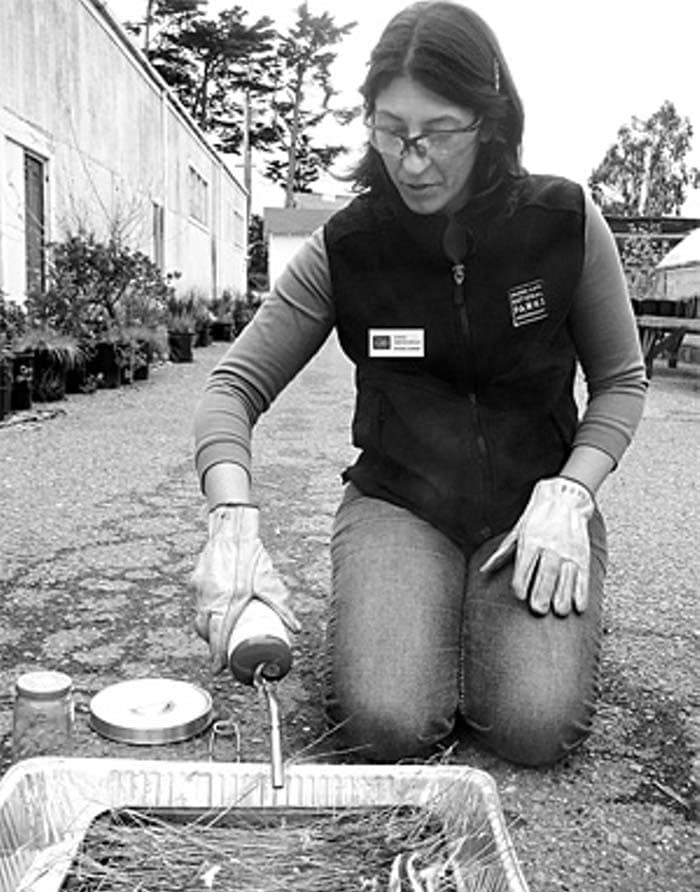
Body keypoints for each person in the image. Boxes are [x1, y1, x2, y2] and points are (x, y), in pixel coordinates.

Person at [191, 0, 647, 767]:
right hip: (401, 501)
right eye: (390, 129)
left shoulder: (564, 221)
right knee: (384, 725)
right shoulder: (349, 246)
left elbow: (622, 381)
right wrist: (230, 521)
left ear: (489, 120)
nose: (412, 160)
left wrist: (572, 491)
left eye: (437, 133)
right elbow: (231, 388)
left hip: (531, 507)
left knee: (533, 726)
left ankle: (488, 605)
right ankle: (419, 599)